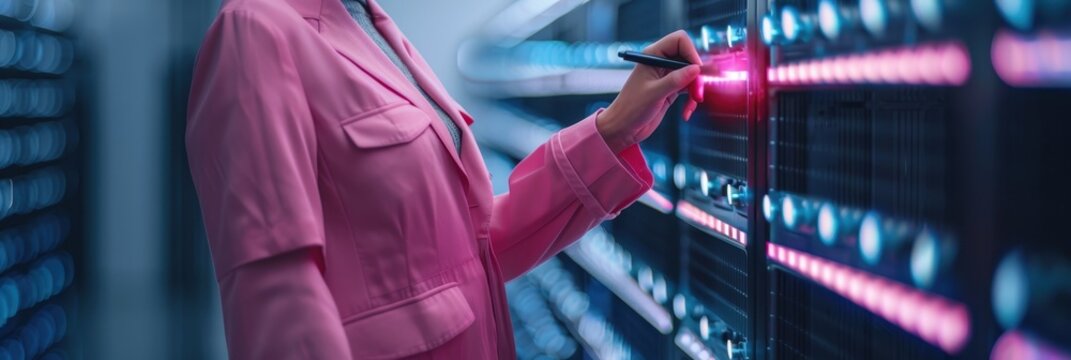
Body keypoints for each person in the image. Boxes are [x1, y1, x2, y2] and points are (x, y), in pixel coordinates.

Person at [185, 0, 703, 358]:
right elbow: (276, 299)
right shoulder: (255, 31)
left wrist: (614, 129)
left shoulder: (370, 24)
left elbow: (461, 253)